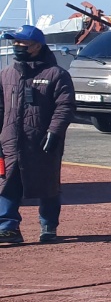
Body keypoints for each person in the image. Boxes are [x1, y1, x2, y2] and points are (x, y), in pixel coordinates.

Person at [0, 25, 76, 245]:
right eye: (14, 42)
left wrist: (54, 132)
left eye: (22, 42)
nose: (17, 46)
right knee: (7, 183)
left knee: (47, 184)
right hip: (10, 141)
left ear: (36, 46)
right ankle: (8, 227)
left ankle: (48, 225)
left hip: (42, 142)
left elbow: (65, 107)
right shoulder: (6, 74)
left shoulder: (56, 75)